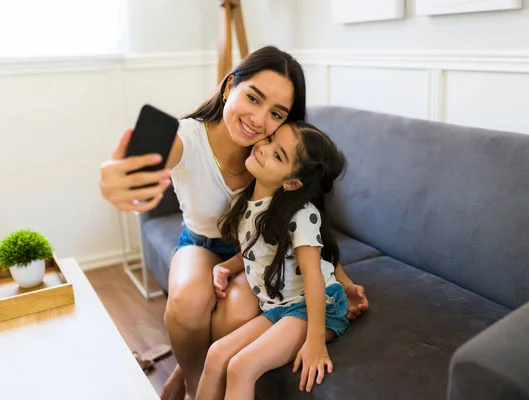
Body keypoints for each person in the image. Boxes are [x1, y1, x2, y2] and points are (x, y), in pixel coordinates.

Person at [99, 46, 368, 400]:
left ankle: (185, 372)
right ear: (229, 87)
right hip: (203, 244)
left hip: (259, 253)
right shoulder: (191, 137)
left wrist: (342, 279)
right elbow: (161, 145)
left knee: (240, 308)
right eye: (252, 98)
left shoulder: (281, 155)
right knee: (188, 302)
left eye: (275, 113)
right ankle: (193, 382)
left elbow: (308, 231)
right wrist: (123, 174)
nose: (258, 120)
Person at [197, 121, 348, 400]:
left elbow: (314, 276)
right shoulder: (246, 204)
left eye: (278, 155)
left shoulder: (301, 215)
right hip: (278, 308)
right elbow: (253, 253)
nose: (264, 149)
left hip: (316, 307)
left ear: (292, 183)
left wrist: (315, 340)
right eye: (270, 140)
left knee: (241, 367)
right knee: (217, 354)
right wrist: (225, 268)